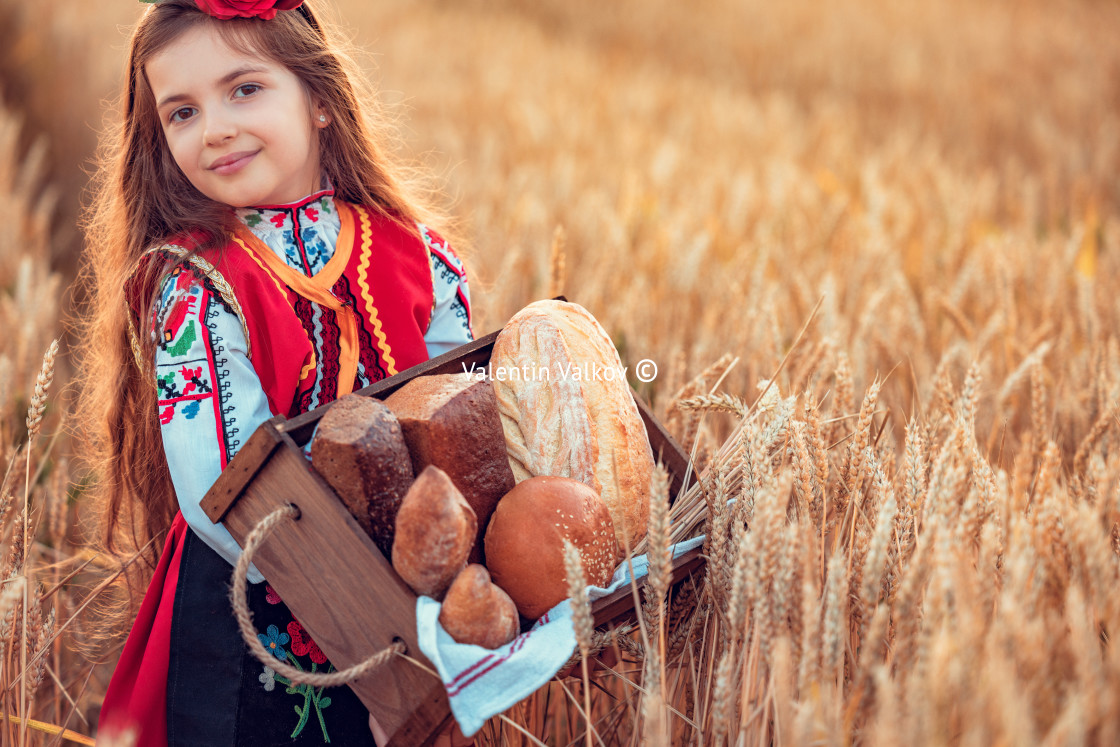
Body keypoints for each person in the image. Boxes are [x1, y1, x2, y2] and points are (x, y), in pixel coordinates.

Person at [75, 1, 476, 743]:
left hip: (420, 605)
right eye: (182, 112)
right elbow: (226, 491)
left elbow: (462, 434)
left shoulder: (420, 255)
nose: (216, 127)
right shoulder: (194, 288)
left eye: (244, 89)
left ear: (319, 98)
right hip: (256, 607)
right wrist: (381, 643)